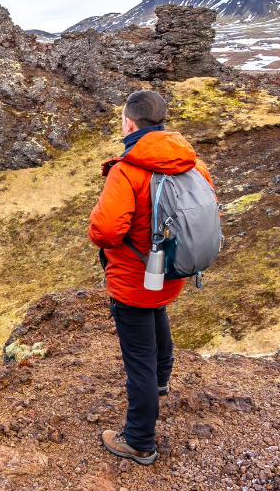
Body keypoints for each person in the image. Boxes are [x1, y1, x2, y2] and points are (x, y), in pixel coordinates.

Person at [87, 89, 213, 465]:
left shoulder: (127, 170)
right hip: (173, 269)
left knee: (137, 357)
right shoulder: (193, 166)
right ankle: (161, 380)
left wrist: (96, 227)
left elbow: (105, 231)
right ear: (161, 122)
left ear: (128, 123)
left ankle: (139, 440)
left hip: (135, 276)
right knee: (155, 313)